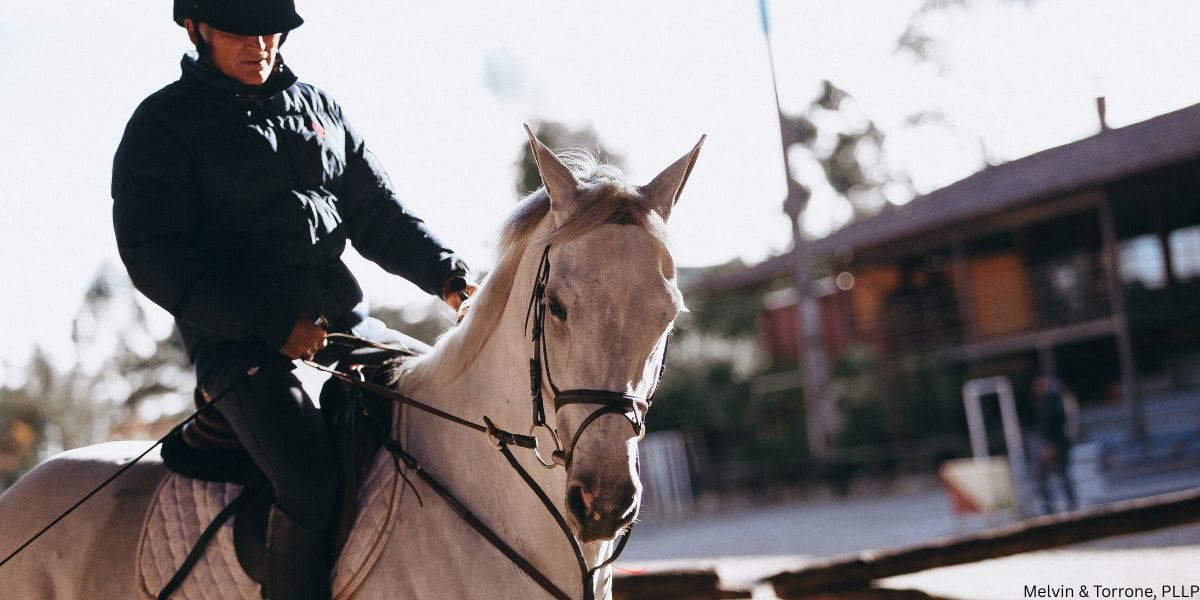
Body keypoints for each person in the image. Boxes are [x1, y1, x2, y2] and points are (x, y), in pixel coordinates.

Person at [111, 1, 475, 597]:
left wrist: (448, 275)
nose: (259, 44)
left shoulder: (321, 110)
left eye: (269, 29)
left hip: (347, 327)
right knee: (308, 479)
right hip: (239, 349)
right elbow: (155, 256)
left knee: (451, 401)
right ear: (194, 28)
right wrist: (272, 323)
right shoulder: (161, 126)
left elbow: (378, 214)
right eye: (238, 31)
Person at [1031, 375, 1078, 514]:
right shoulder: (1057, 399)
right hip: (1059, 443)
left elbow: (1050, 425)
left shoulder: (1049, 402)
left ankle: (1052, 507)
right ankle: (1069, 504)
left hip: (1053, 444)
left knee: (1043, 477)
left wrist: (1049, 445)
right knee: (1061, 474)